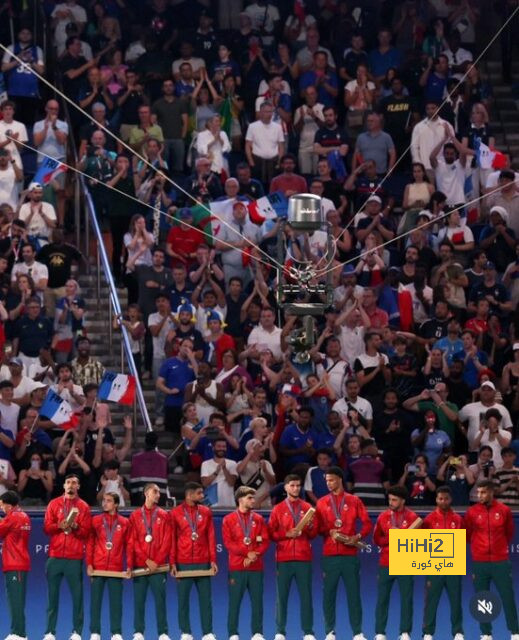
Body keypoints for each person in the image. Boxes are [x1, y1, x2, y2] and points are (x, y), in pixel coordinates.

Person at [315, 465, 372, 640]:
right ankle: (329, 631)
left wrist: (358, 536)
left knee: (353, 595)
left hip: (349, 555)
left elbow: (367, 523)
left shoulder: (354, 500)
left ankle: (357, 632)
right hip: (330, 555)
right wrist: (328, 531)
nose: (329, 483)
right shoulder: (322, 502)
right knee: (328, 595)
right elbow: (318, 527)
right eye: (327, 481)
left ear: (340, 479)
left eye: (331, 480)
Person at [465, 480, 519, 640]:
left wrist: (498, 550)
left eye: (483, 492)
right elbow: (468, 535)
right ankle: (486, 633)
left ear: (491, 492)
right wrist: (480, 549)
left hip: (500, 563)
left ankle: (515, 632)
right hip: (480, 563)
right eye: (478, 492)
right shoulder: (472, 512)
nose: (479, 495)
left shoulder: (504, 510)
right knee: (482, 598)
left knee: (507, 597)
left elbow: (508, 534)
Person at [43, 473, 92, 640]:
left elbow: (86, 533)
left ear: (78, 487)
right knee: (52, 597)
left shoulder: (84, 507)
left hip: (74, 558)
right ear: (64, 486)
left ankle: (77, 632)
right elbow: (47, 528)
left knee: (77, 597)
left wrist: (76, 526)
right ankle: (50, 632)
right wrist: (59, 525)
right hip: (55, 557)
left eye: (74, 483)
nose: (71, 485)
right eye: (68, 482)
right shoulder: (54, 504)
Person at [268, 474, 317, 640]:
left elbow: (313, 534)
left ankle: (308, 632)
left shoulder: (307, 507)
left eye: (298, 485)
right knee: (281, 597)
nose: (296, 488)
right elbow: (271, 534)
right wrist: (286, 533)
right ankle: (280, 631)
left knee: (306, 596)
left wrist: (310, 527)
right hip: (284, 558)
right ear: (286, 487)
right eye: (293, 485)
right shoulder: (278, 509)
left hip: (303, 558)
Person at [169, 482, 218, 640]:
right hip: (183, 563)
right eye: (199, 493)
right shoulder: (175, 513)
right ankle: (185, 632)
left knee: (206, 600)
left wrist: (213, 560)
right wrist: (173, 563)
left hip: (203, 561)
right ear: (189, 495)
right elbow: (172, 540)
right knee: (183, 601)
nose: (202, 496)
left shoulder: (206, 512)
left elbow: (210, 537)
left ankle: (208, 632)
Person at [222, 486, 270, 640]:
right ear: (240, 499)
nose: (253, 501)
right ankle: (233, 634)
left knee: (257, 602)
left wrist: (254, 554)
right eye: (250, 498)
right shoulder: (228, 519)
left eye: (253, 498)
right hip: (237, 567)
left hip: (256, 567)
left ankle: (257, 633)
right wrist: (246, 552)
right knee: (235, 602)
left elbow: (265, 541)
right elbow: (229, 543)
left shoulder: (258, 519)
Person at [373, 485, 420, 640]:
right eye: (390, 499)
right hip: (386, 563)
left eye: (394, 500)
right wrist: (392, 537)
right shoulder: (383, 517)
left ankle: (405, 632)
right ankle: (380, 632)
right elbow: (377, 540)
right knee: (382, 599)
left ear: (403, 501)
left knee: (406, 599)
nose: (391, 502)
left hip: (406, 563)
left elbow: (420, 543)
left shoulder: (413, 518)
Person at [127, 482, 172, 640]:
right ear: (146, 493)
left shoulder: (164, 515)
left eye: (159, 492)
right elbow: (132, 542)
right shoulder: (134, 516)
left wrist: (157, 561)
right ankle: (138, 631)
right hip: (141, 566)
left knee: (160, 600)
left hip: (158, 568)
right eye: (155, 492)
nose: (158, 495)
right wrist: (146, 560)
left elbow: (167, 541)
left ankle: (163, 632)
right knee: (139, 601)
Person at [422, 486, 465, 640]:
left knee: (456, 600)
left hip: (453, 566)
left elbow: (464, 541)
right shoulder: (429, 520)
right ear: (436, 499)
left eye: (446, 498)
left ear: (450, 499)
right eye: (440, 498)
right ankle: (427, 633)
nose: (443, 501)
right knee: (431, 601)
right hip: (434, 566)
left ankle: (458, 632)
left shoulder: (458, 519)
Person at [86, 491, 130, 640]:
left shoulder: (124, 522)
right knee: (95, 602)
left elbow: (129, 546)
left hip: (115, 569)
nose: (105, 503)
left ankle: (116, 632)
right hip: (98, 567)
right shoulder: (96, 520)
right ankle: (95, 632)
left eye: (109, 501)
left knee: (116, 603)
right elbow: (90, 543)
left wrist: (129, 566)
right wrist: (89, 564)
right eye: (104, 500)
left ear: (116, 504)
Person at [0, 490, 31, 640]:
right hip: (18, 563)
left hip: (15, 564)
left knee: (16, 601)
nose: (1, 509)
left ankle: (19, 634)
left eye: (2, 506)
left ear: (8, 505)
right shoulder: (23, 515)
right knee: (16, 600)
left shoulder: (12, 517)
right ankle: (16, 632)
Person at [200, 437, 238, 507]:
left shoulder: (232, 463)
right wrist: (216, 472)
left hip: (229, 504)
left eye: (224, 447)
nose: (221, 448)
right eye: (219, 446)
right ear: (213, 448)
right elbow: (205, 483)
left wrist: (224, 469)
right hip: (211, 504)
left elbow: (231, 483)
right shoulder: (205, 464)